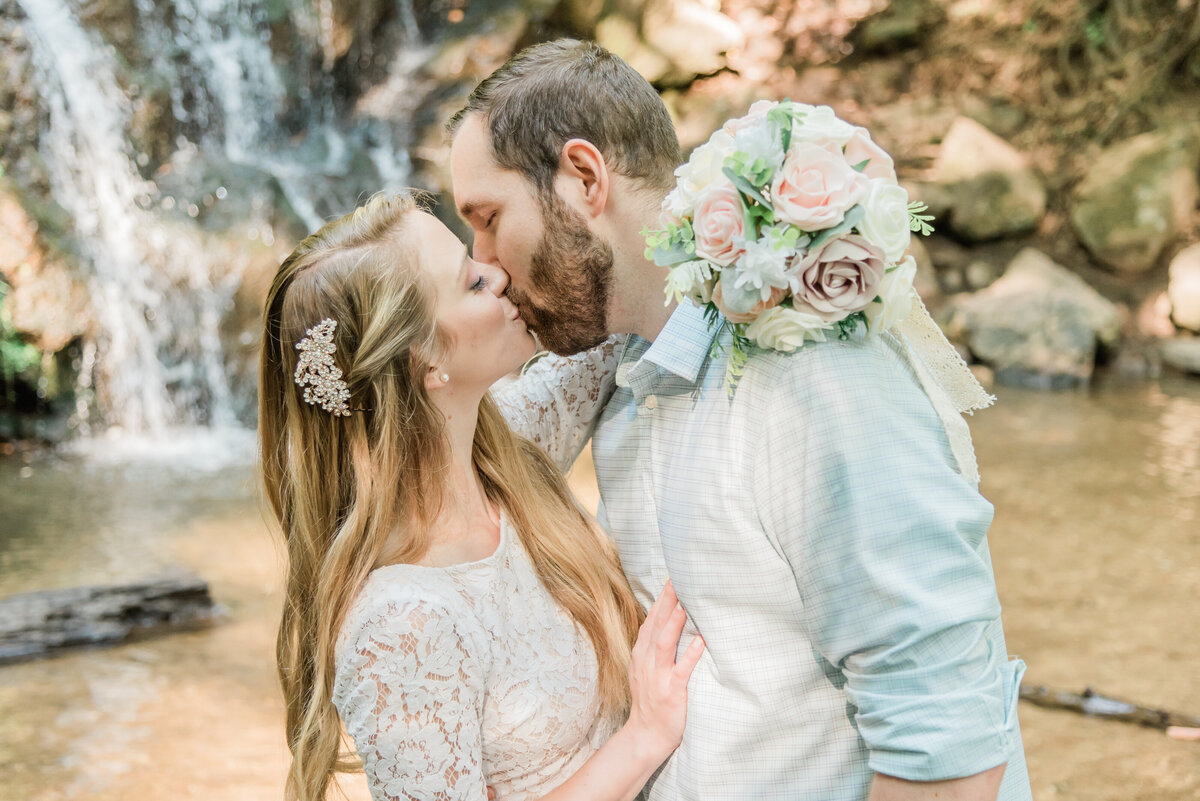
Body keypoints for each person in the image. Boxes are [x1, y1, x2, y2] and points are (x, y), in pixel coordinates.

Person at [447, 39, 1034, 801]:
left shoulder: (816, 376)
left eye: (489, 218)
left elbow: (947, 745)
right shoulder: (617, 376)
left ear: (585, 177)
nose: (484, 260)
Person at [258, 193, 705, 801]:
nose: (500, 274)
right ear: (426, 359)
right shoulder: (401, 625)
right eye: (472, 282)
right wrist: (644, 737)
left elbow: (624, 306)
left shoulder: (507, 448)